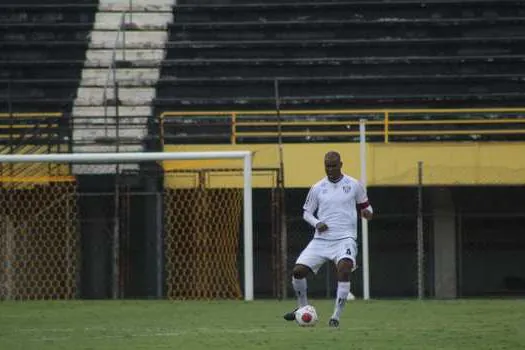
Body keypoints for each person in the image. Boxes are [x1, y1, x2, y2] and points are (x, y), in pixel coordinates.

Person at [283, 151, 373, 327]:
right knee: (298, 271)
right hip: (321, 240)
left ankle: (335, 318)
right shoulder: (317, 188)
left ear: (341, 164)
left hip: (345, 239)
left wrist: (368, 213)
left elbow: (366, 207)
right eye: (327, 166)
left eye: (333, 165)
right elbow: (307, 213)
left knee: (345, 268)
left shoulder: (354, 185)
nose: (330, 169)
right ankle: (302, 308)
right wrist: (317, 223)